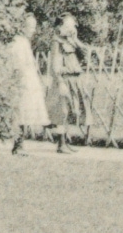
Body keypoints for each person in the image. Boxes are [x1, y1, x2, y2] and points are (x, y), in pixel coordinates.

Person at [8, 14, 51, 155]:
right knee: (21, 113)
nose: (33, 30)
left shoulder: (24, 42)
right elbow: (19, 65)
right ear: (22, 27)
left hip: (29, 81)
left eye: (34, 27)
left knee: (25, 113)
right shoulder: (18, 42)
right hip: (23, 82)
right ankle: (18, 144)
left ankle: (20, 144)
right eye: (30, 27)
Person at [49, 14, 87, 153]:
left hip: (73, 80)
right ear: (59, 27)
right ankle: (61, 144)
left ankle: (65, 141)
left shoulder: (70, 41)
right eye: (68, 26)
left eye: (72, 26)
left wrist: (76, 39)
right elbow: (55, 64)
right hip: (63, 80)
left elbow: (86, 53)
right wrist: (60, 82)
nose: (71, 29)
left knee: (70, 111)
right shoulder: (57, 42)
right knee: (62, 112)